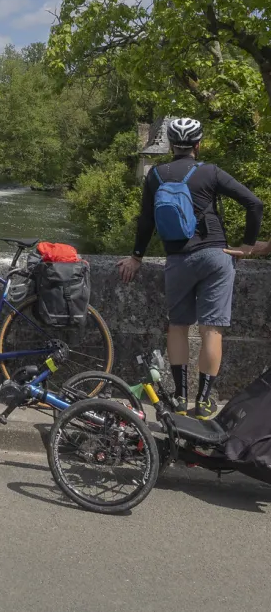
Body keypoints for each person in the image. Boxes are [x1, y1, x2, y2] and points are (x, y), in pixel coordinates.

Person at [117, 118, 263, 419]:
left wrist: (136, 257)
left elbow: (146, 221)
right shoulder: (209, 171)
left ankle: (181, 398)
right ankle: (206, 401)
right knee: (211, 328)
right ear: (199, 144)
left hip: (178, 259)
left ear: (171, 145)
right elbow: (254, 204)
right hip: (215, 255)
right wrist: (248, 246)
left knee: (178, 325)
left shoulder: (156, 175)